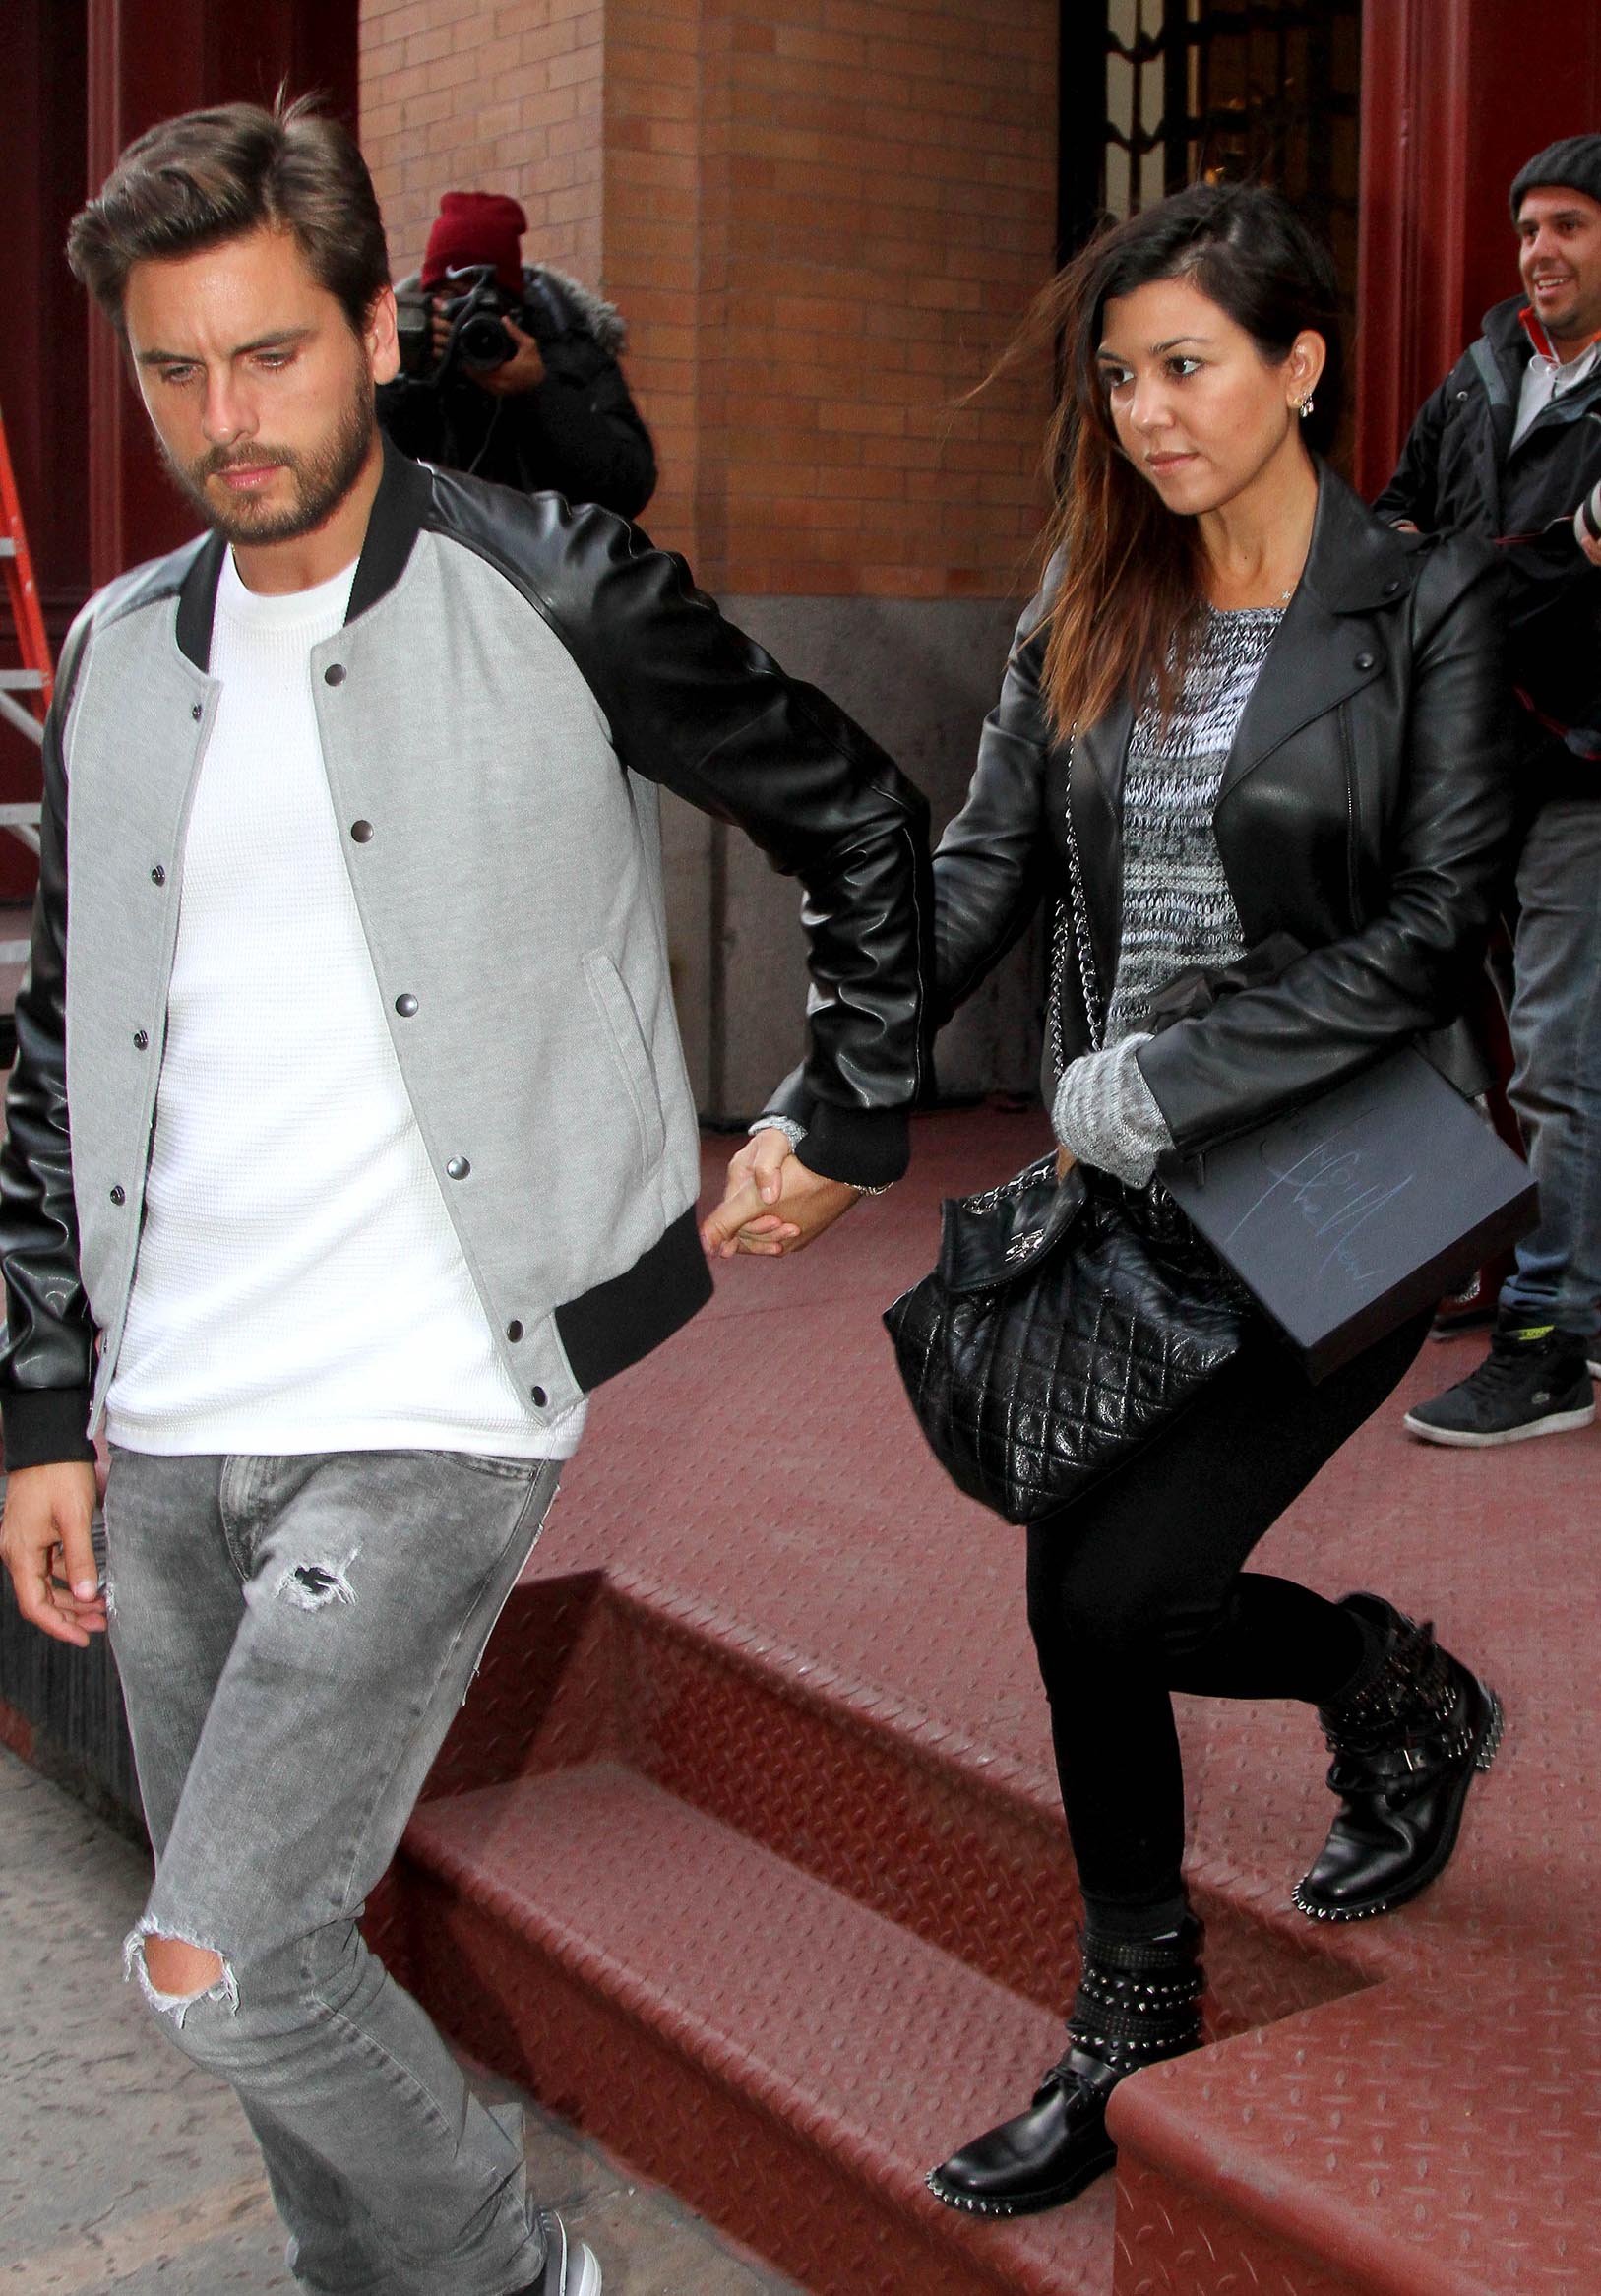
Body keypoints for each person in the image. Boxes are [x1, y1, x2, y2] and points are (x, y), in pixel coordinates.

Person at [0, 96, 927, 2296]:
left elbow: (864, 819)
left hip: (441, 1392)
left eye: (274, 355)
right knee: (278, 1937)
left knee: (215, 1955)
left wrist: (849, 1103)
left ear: (369, 325)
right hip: (175, 1414)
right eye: (174, 369)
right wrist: (42, 1391)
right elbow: (60, 1045)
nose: (228, 420)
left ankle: (516, 2280)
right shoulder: (129, 646)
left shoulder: (550, 580)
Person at [707, 183, 1514, 2218]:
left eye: (1192, 366)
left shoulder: (1418, 600)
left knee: (1098, 1590)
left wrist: (1163, 1075)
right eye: (1125, 373)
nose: (1151, 413)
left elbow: (1434, 931)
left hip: (1337, 1178)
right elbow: (980, 873)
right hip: (1128, 1200)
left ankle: (1238, 1870)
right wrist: (839, 1092)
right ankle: (1291, 1808)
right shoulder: (1092, 588)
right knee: (1104, 1593)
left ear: (1300, 365)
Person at [1377, 135, 1601, 1446]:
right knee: (1453, 1040)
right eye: (1527, 229)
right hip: (1467, 771)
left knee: (1561, 1067)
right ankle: (1521, 1282)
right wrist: (1546, 554)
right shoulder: (1477, 380)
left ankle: (1549, 1342)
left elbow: (1464, 571)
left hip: (1579, 771)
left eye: (1567, 225)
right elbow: (1395, 523)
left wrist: (1468, 571)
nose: (1538, 252)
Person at [376, 189, 656, 518]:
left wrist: (541, 391)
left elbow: (627, 488)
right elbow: (353, 476)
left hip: (537, 563)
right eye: (448, 296)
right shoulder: (402, 355)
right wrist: (399, 375)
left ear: (512, 306)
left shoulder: (567, 347)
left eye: (478, 300)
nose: (463, 314)